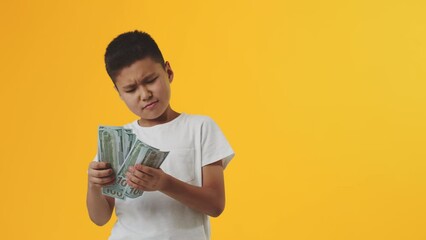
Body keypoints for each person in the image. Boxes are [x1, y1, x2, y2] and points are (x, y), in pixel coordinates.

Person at [86, 30, 235, 240]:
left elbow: (215, 204)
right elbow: (100, 217)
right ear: (119, 93)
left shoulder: (200, 128)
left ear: (168, 71)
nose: (145, 94)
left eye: (150, 80)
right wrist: (93, 186)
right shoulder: (119, 139)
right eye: (130, 89)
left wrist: (164, 183)